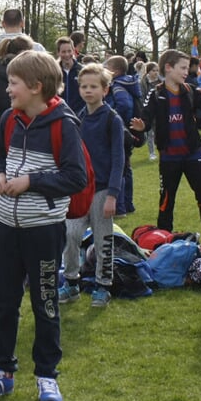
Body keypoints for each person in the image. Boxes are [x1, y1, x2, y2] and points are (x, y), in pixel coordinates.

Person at [0, 51, 87, 401]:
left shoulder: (63, 124)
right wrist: (1, 175)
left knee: (46, 304)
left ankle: (47, 376)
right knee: (5, 302)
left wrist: (31, 182)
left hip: (44, 230)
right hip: (6, 227)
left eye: (13, 83)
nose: (7, 89)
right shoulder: (8, 118)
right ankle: (2, 372)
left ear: (37, 87)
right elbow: (0, 158)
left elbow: (76, 177)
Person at [129, 50, 201, 250]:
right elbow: (145, 118)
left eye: (187, 68)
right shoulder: (156, 93)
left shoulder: (190, 90)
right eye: (182, 68)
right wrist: (141, 126)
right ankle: (164, 241)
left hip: (193, 154)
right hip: (169, 158)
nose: (186, 72)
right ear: (168, 68)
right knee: (166, 200)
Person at [66, 63, 124, 307]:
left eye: (93, 86)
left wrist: (112, 194)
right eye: (83, 86)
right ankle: (70, 282)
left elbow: (118, 158)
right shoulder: (77, 118)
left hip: (102, 191)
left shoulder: (112, 119)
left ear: (105, 90)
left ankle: (103, 286)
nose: (88, 91)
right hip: (79, 190)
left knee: (103, 240)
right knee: (70, 235)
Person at [104, 54, 140, 215]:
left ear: (115, 71)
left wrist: (113, 119)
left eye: (107, 68)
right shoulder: (128, 82)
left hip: (122, 130)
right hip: (128, 131)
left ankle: (121, 206)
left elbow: (124, 105)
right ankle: (128, 204)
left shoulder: (118, 86)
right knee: (126, 167)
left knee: (120, 168)